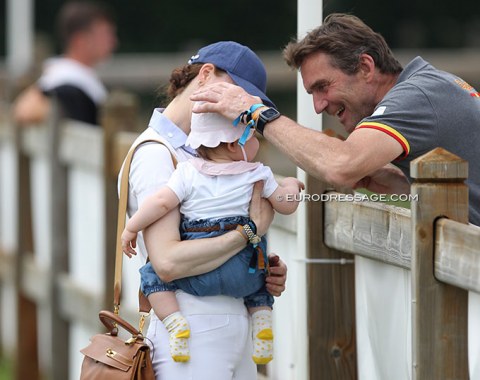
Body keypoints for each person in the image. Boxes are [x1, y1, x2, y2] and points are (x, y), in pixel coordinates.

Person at [189, 13, 480, 380]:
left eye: (323, 87)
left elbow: (340, 165)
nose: (318, 106)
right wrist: (399, 184)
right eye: (312, 93)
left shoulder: (416, 96)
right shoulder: (426, 87)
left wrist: (254, 112)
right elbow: (461, 189)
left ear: (365, 66)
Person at [122, 41, 288, 379]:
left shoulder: (209, 156)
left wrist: (258, 264)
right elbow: (167, 263)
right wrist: (247, 234)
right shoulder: (159, 154)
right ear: (207, 75)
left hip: (223, 325)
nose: (245, 109)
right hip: (192, 331)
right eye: (240, 93)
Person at [12, 1, 117, 125]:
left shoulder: (67, 75)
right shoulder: (68, 81)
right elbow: (25, 110)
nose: (113, 41)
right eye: (104, 34)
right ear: (80, 40)